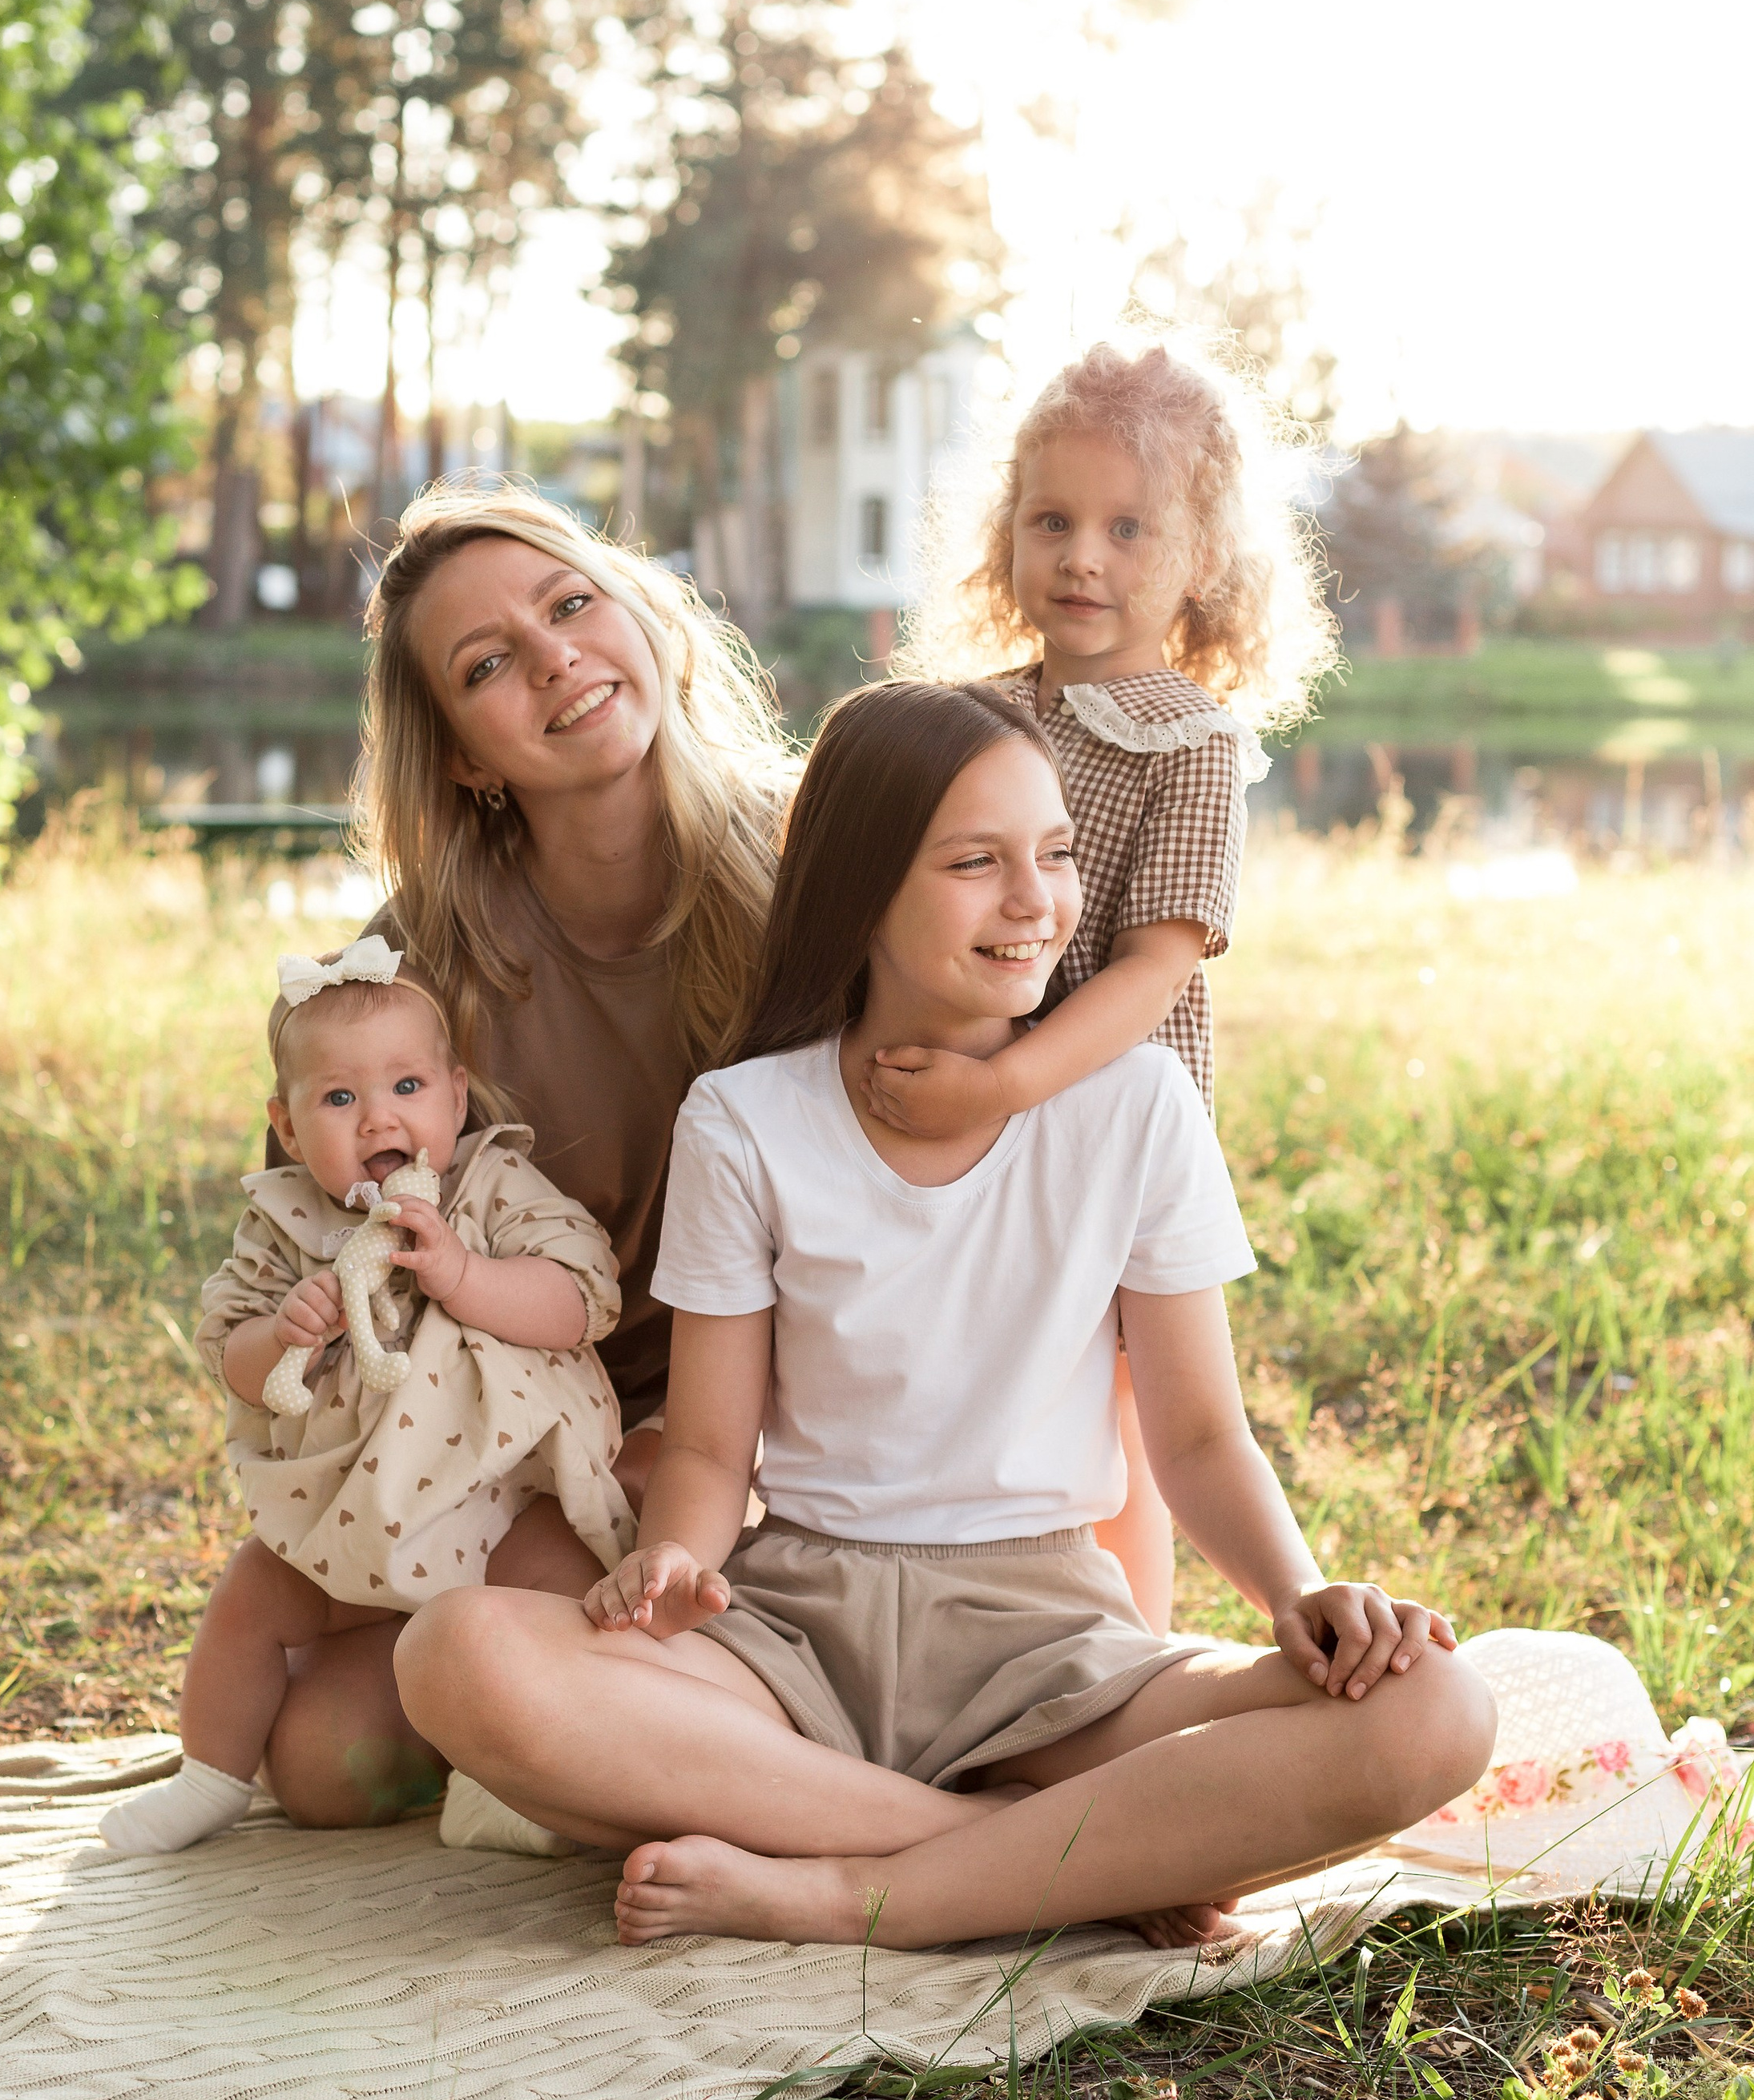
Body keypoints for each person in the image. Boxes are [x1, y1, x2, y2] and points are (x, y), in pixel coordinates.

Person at [393, 679, 1495, 1951]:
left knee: (1433, 1713)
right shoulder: (749, 1120)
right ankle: (1023, 1854)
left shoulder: (1134, 1107)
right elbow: (707, 1449)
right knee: (458, 1657)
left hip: (1052, 1655)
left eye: (1057, 854)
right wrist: (678, 1561)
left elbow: (1198, 1441)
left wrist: (1300, 1594)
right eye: (977, 862)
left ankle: (848, 1887)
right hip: (793, 1637)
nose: (1035, 901)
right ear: (861, 888)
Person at [260, 483, 791, 1828]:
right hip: (514, 1435)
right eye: (489, 665)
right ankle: (548, 1692)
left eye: (570, 605)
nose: (556, 658)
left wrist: (691, 1443)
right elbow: (325, 1232)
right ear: (464, 759)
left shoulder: (815, 869)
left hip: (776, 1426)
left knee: (580, 1728)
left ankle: (706, 1753)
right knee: (326, 1767)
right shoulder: (419, 965)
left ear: (643, 620)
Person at [879, 341, 1337, 1630]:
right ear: (1006, 537)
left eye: (1129, 528)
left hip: (1105, 1114)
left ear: (1203, 559)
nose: (1083, 556)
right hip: (973, 1110)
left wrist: (1009, 1080)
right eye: (1052, 521)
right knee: (1006, 1372)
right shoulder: (968, 715)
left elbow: (1156, 964)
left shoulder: (1192, 743)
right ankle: (979, 1622)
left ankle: (1125, 1651)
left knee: (1129, 1399)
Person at [99, 944, 630, 1856]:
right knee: (249, 1597)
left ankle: (509, 1780)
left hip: (500, 1496)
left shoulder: (490, 1187)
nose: (379, 1115)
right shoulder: (286, 1221)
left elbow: (583, 1299)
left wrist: (463, 1274)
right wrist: (285, 1331)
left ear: (457, 1098)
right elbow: (228, 1347)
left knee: (566, 1597)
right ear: (291, 1127)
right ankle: (210, 1774)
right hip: (348, 1515)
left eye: (408, 1087)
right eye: (340, 1098)